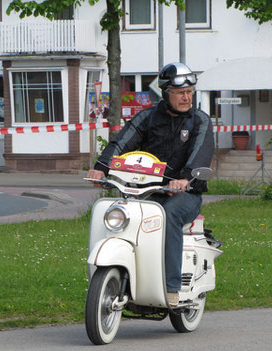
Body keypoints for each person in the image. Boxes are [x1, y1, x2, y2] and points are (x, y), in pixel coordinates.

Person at [86, 62, 215, 307]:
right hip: (148, 191)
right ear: (167, 93)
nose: (186, 97)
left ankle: (171, 287)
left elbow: (201, 152)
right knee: (125, 214)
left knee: (168, 214)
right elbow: (122, 142)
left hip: (185, 194)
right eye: (180, 93)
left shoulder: (199, 121)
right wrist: (101, 168)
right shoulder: (148, 117)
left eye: (189, 92)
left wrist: (186, 178)